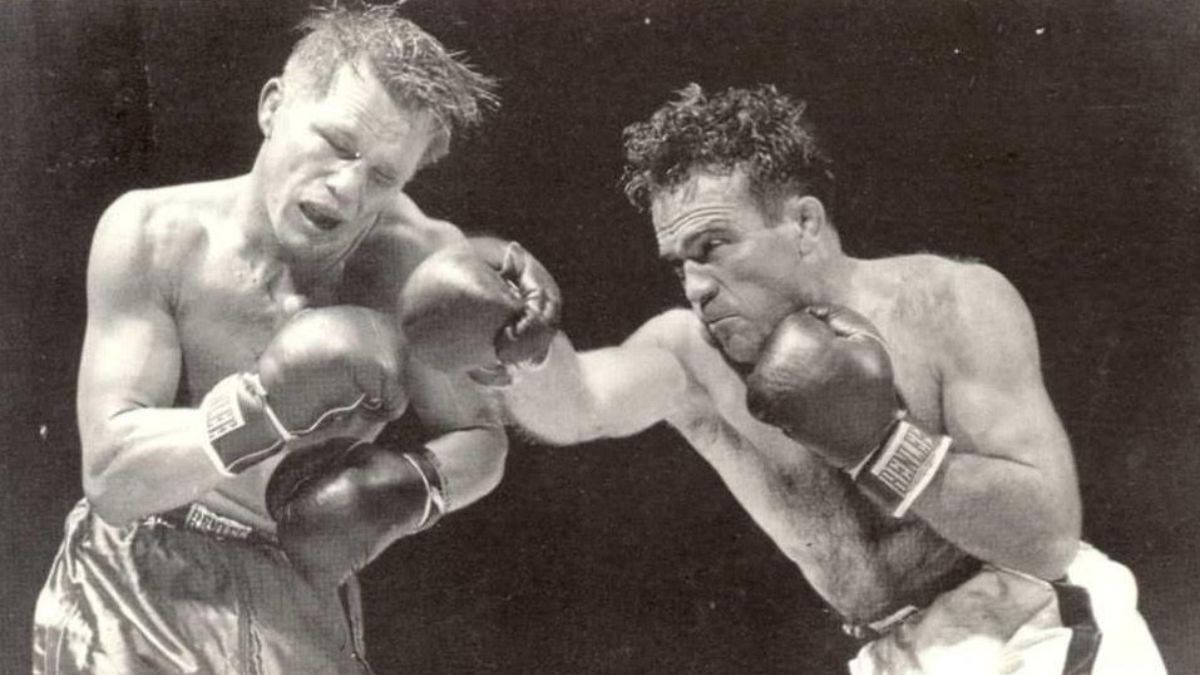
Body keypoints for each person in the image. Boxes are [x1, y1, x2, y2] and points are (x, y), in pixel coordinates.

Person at [496, 84, 1167, 674]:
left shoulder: (949, 303)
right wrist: (515, 344)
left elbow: (1047, 536)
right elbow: (577, 405)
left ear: (805, 223)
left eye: (713, 247)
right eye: (679, 264)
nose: (696, 286)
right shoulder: (689, 353)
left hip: (1036, 626)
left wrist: (880, 447)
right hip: (889, 652)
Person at [31, 5, 559, 673]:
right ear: (273, 106)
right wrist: (262, 408)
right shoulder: (155, 235)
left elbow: (483, 440)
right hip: (137, 578)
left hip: (296, 587)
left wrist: (413, 486)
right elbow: (111, 476)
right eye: (337, 144)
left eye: (383, 176)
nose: (345, 186)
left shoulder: (412, 267)